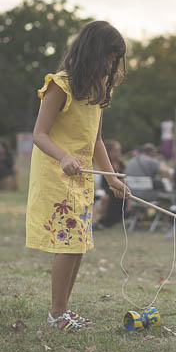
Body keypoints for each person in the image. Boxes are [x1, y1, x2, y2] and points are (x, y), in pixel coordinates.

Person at [26, 21, 130, 332]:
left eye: (116, 60)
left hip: (82, 176)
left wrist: (111, 179)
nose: (112, 65)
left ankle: (63, 311)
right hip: (57, 172)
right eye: (109, 57)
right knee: (69, 243)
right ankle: (57, 314)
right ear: (93, 52)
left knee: (79, 243)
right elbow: (39, 134)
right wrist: (64, 157)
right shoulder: (60, 85)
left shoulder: (99, 91)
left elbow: (96, 140)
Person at [97, 140, 126, 228]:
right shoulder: (106, 164)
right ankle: (106, 219)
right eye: (116, 151)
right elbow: (104, 182)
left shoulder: (121, 164)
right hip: (108, 187)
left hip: (119, 187)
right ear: (109, 152)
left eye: (119, 151)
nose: (118, 153)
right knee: (109, 196)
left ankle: (119, 217)